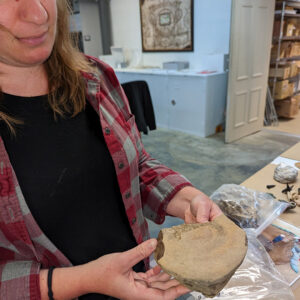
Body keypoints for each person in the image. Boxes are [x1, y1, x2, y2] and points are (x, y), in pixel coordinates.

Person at [0, 0, 223, 299]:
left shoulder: (95, 76)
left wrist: (188, 198)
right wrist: (84, 280)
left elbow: (135, 165)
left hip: (143, 279)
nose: (39, 13)